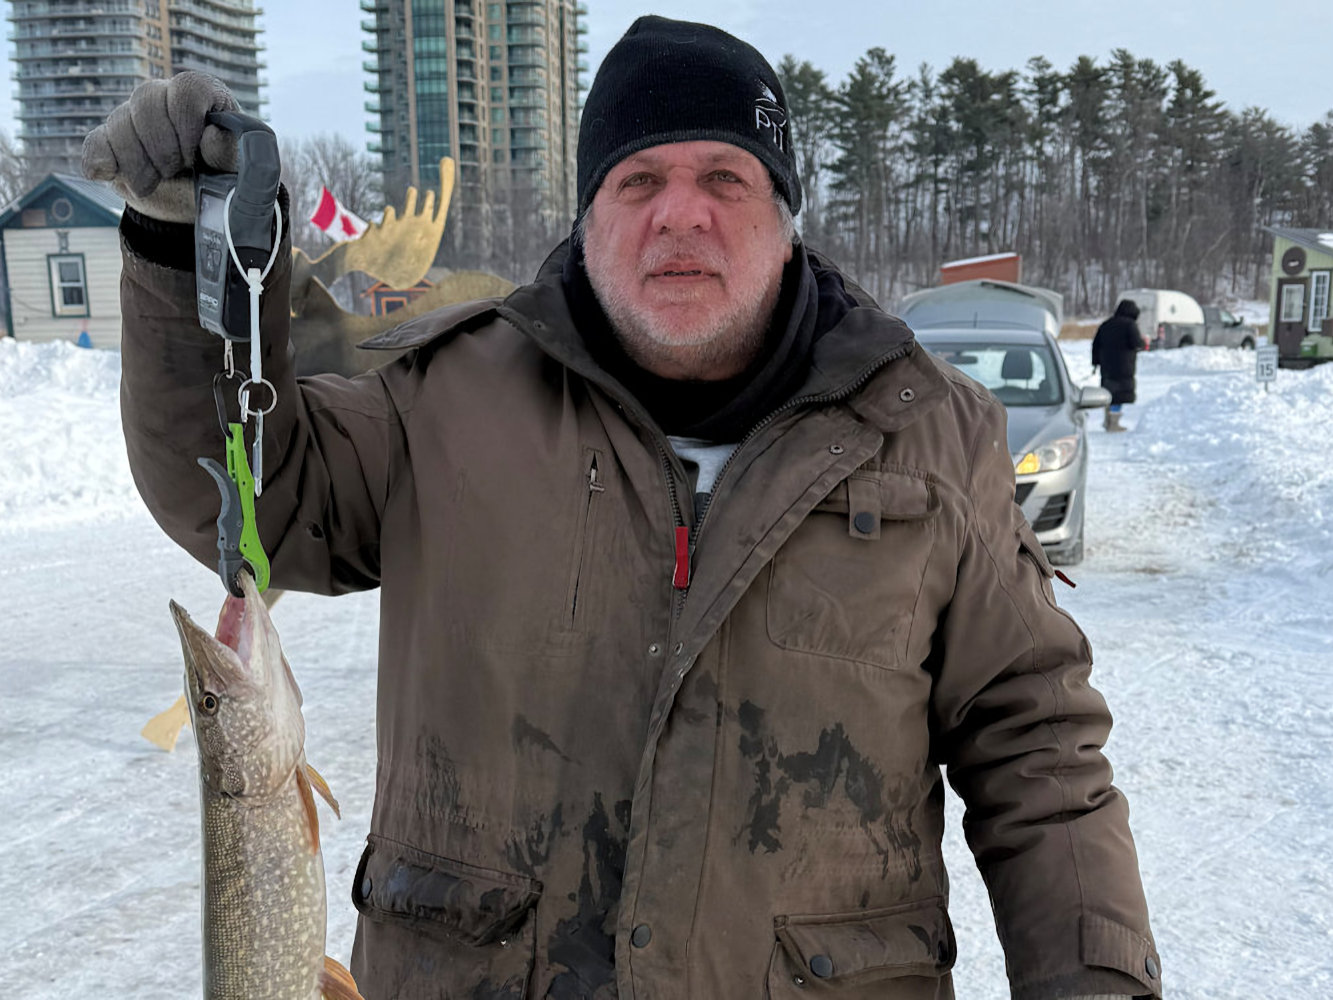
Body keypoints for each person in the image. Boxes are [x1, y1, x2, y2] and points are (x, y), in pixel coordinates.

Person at [85, 16, 1160, 1000]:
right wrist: (182, 247)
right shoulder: (439, 399)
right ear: (589, 217)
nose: (678, 213)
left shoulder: (929, 431)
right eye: (637, 179)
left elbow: (1037, 748)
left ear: (785, 220)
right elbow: (244, 496)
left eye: (724, 178)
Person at [1092, 300, 1146, 432]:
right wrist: (1144, 342)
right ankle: (1114, 423)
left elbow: (1096, 345)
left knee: (1109, 393)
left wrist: (1095, 362)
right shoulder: (1130, 325)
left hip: (1107, 366)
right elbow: (1136, 343)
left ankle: (1107, 421)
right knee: (1120, 395)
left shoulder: (1106, 324)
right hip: (1124, 366)